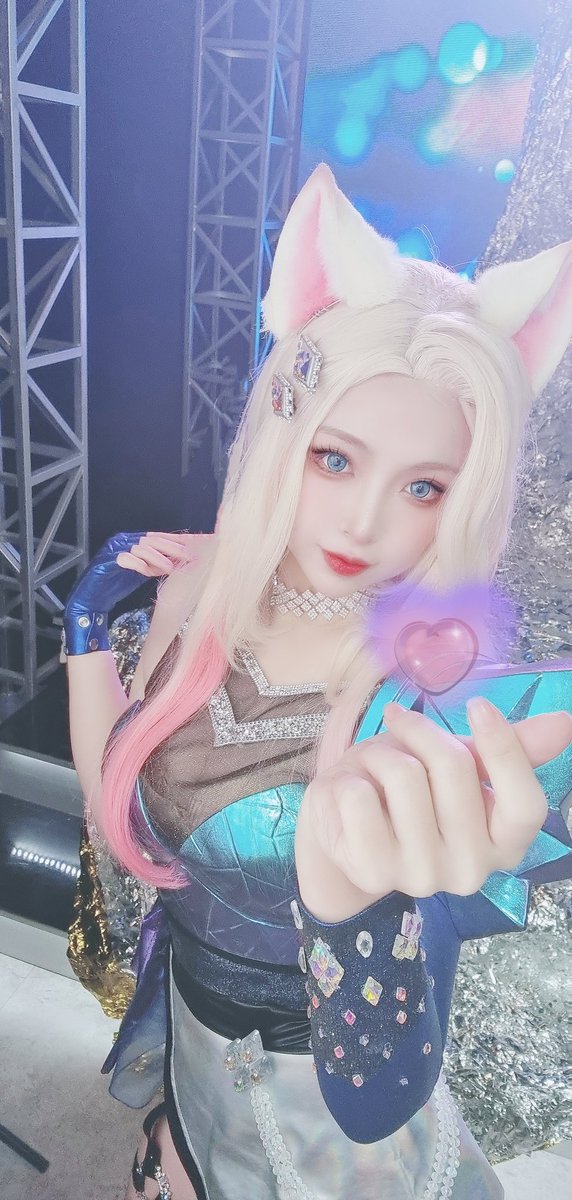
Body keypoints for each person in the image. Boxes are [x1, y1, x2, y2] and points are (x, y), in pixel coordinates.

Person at [63, 164, 572, 1200]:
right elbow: (112, 799)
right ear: (284, 428)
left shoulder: (434, 697)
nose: (364, 521)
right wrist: (84, 629)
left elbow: (380, 1093)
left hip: (326, 1125)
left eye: (422, 487)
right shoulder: (199, 586)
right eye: (336, 460)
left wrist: (354, 912)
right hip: (188, 1031)